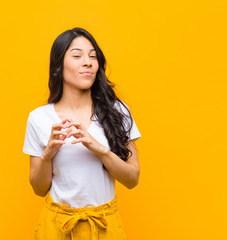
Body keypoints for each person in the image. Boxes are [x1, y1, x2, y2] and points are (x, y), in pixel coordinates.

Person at [23, 27, 142, 240]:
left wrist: (99, 149)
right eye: (77, 55)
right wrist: (48, 153)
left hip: (104, 226)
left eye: (93, 56)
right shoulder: (38, 118)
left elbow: (132, 179)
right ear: (58, 66)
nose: (87, 62)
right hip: (56, 227)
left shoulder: (117, 111)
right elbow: (39, 189)